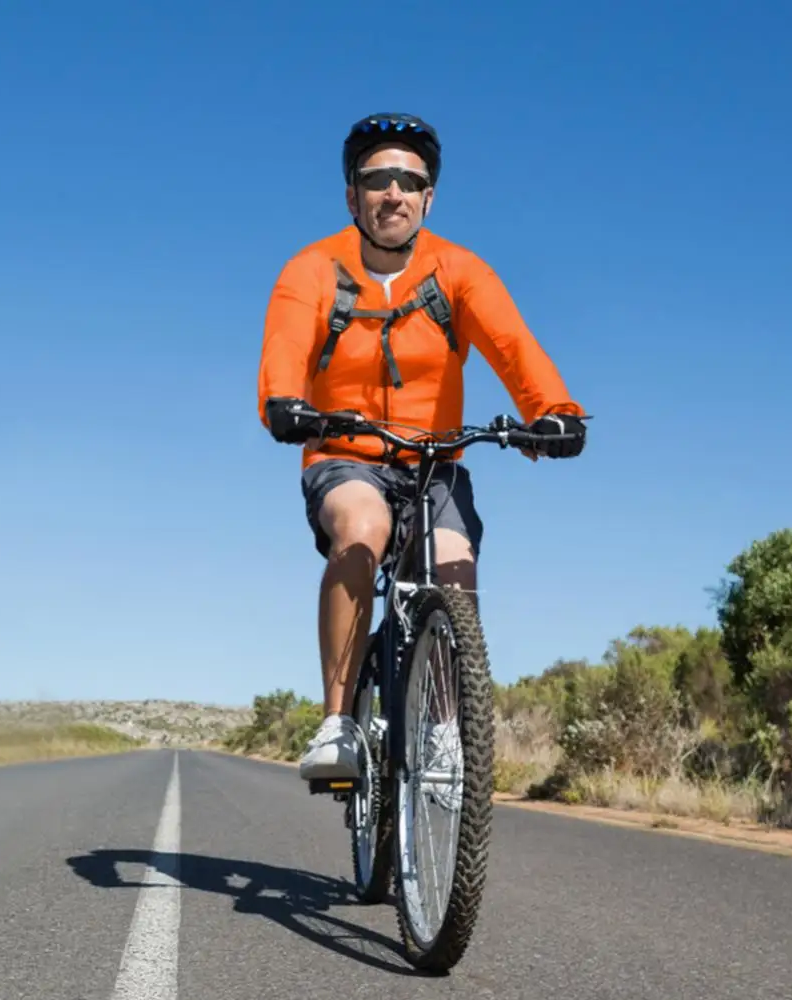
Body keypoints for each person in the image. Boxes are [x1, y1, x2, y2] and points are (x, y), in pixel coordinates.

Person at [256, 112, 588, 788]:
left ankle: (439, 728)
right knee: (364, 526)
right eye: (377, 179)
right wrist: (285, 403)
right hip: (343, 453)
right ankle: (338, 725)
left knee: (453, 561)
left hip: (435, 458)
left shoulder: (460, 271)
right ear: (352, 196)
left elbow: (514, 347)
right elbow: (285, 349)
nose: (394, 193)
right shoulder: (311, 269)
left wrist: (553, 412)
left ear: (428, 198)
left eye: (411, 181)